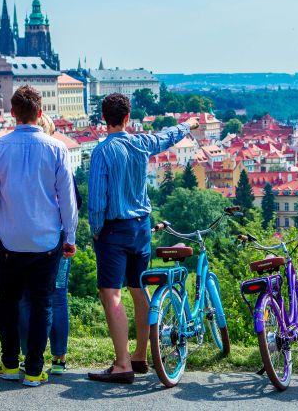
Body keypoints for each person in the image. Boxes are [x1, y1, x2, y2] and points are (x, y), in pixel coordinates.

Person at [86, 94, 198, 384]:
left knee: (111, 293)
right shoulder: (140, 143)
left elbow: (97, 200)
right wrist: (187, 124)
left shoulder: (102, 152)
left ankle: (122, 364)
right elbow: (166, 136)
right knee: (139, 291)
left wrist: (95, 230)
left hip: (113, 228)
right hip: (142, 227)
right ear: (127, 118)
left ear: (103, 117)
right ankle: (139, 356)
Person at [0, 86, 78, 387]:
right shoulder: (57, 148)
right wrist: (70, 236)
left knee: (7, 302)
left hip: (9, 240)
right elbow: (67, 199)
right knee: (42, 303)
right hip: (47, 240)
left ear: (12, 113)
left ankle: (10, 364)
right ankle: (35, 370)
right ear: (39, 113)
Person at [17, 113, 77, 375]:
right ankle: (59, 359)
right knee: (57, 298)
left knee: (26, 299)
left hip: (22, 239)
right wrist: (69, 235)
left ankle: (28, 356)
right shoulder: (58, 158)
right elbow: (74, 203)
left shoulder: (19, 164)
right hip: (58, 237)